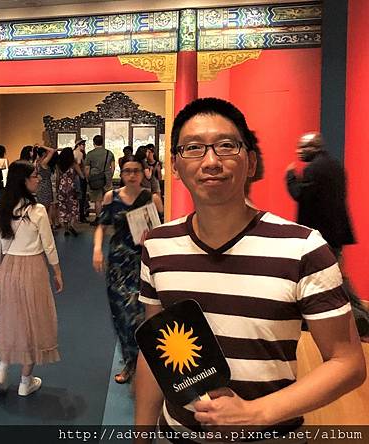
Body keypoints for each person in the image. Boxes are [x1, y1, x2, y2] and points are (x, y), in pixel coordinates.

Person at [135, 98, 366, 440]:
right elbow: (156, 349)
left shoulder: (303, 248)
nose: (211, 161)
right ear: (176, 166)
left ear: (251, 161)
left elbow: (347, 363)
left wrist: (256, 414)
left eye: (226, 146)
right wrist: (141, 434)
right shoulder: (158, 245)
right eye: (194, 148)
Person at [0, 160, 63, 396]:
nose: (38, 179)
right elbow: (49, 245)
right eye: (34, 176)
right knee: (35, 322)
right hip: (33, 267)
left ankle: (3, 365)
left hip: (9, 267)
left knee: (12, 317)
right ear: (23, 180)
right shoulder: (37, 210)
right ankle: (25, 381)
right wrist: (57, 271)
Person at [286, 132, 369, 340]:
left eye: (302, 148)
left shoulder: (314, 169)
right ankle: (362, 316)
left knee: (331, 280)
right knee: (338, 276)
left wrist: (290, 177)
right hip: (337, 232)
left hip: (321, 234)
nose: (299, 152)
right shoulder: (336, 166)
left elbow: (300, 195)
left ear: (313, 148)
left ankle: (360, 320)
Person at [92, 155, 163, 384]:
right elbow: (101, 226)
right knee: (121, 314)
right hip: (118, 264)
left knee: (140, 314)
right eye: (127, 171)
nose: (132, 175)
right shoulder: (111, 197)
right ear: (121, 174)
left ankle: (145, 362)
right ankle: (130, 361)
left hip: (143, 262)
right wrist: (97, 249)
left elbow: (161, 230)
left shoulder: (151, 198)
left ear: (143, 173)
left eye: (136, 171)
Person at [85, 135, 115, 225]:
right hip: (107, 178)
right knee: (108, 199)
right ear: (102, 142)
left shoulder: (90, 154)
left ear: (94, 143)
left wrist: (88, 179)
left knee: (97, 200)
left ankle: (98, 219)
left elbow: (87, 169)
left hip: (95, 179)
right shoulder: (109, 153)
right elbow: (113, 167)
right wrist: (109, 177)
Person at [56, 147, 82, 236]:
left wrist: (57, 189)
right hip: (71, 188)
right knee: (73, 207)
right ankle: (71, 225)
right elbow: (81, 175)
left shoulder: (59, 165)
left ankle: (66, 229)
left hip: (61, 187)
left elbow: (58, 178)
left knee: (63, 208)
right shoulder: (73, 164)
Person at [34, 144, 56, 215]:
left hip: (40, 186)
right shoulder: (43, 162)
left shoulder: (37, 162)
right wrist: (42, 146)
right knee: (46, 209)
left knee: (42, 208)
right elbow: (52, 150)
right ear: (44, 153)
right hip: (46, 186)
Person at [73, 139, 89, 222]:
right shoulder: (79, 153)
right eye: (82, 144)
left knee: (77, 197)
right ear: (78, 145)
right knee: (81, 197)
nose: (84, 146)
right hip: (79, 177)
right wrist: (83, 177)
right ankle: (81, 216)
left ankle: (77, 215)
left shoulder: (73, 152)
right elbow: (78, 166)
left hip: (74, 177)